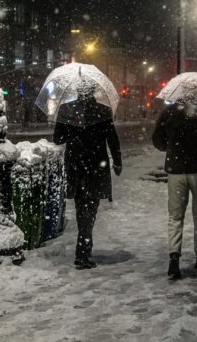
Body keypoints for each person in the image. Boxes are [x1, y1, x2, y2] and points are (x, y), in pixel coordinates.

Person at [152, 89, 197, 280]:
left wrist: (172, 146)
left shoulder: (169, 113)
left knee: (175, 216)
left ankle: (174, 258)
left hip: (176, 169)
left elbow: (157, 141)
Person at [53, 83, 122, 269]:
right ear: (93, 92)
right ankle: (83, 251)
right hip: (95, 168)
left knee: (80, 209)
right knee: (90, 211)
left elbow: (57, 139)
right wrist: (117, 161)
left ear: (77, 91)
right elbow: (112, 140)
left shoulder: (67, 109)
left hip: (75, 167)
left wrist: (71, 130)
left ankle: (83, 249)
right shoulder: (103, 111)